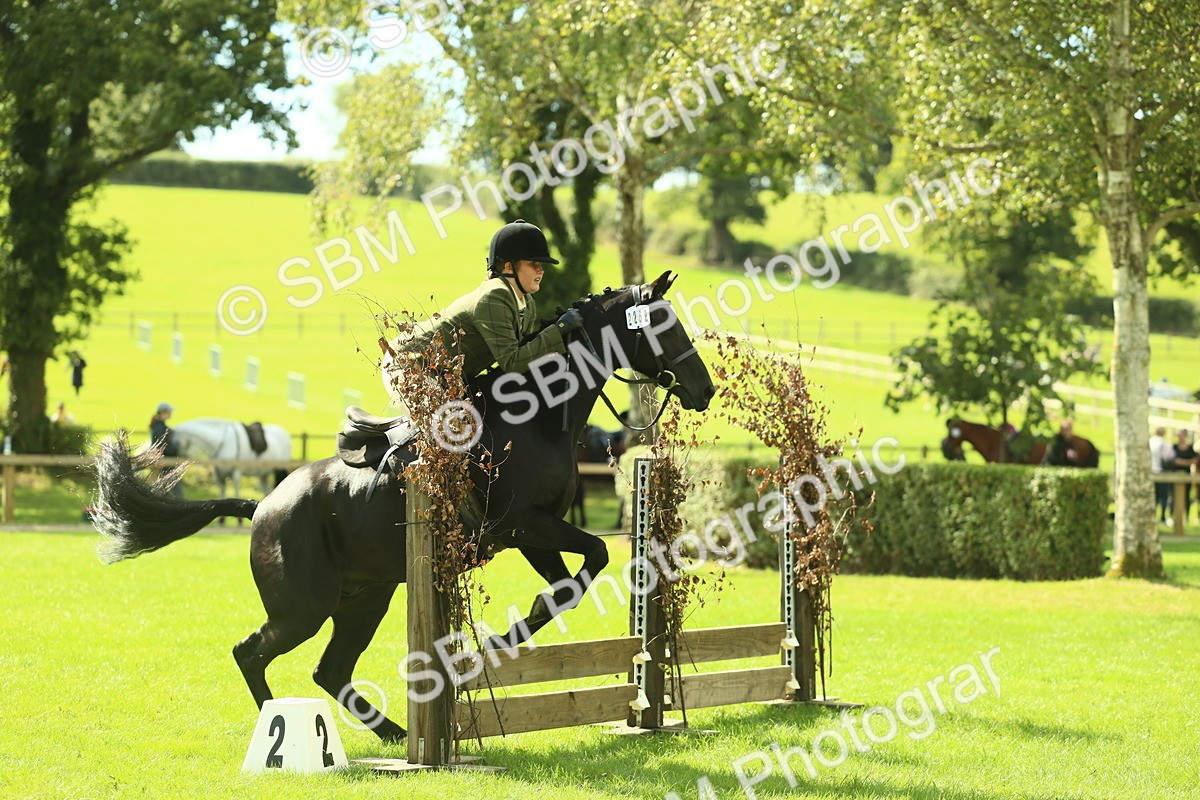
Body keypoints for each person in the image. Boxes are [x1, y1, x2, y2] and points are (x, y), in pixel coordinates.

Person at [384, 219, 583, 403]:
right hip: (409, 366)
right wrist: (560, 329)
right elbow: (512, 362)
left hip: (445, 378)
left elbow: (526, 352)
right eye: (534, 264)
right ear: (508, 266)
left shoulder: (527, 303)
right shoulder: (495, 295)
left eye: (541, 265)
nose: (541, 270)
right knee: (450, 432)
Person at [150, 402, 183, 498]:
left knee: (163, 490)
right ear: (163, 413)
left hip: (163, 462)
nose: (171, 413)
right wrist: (176, 450)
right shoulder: (160, 428)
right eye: (169, 412)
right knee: (175, 491)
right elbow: (163, 445)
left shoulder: (160, 426)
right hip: (165, 463)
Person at [1169, 429, 1197, 521]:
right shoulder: (1174, 447)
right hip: (1175, 475)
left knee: (1186, 496)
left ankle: (1187, 517)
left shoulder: (1190, 448)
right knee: (1173, 496)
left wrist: (1182, 462)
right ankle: (1172, 516)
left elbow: (1194, 460)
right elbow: (1173, 460)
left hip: (1187, 476)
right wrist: (1187, 462)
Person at [1150, 427, 1174, 523]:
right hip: (1162, 473)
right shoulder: (1164, 444)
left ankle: (1152, 515)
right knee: (1163, 496)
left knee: (1153, 496)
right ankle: (1162, 516)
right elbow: (1170, 456)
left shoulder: (1149, 442)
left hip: (1151, 473)